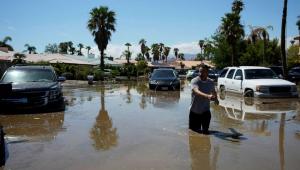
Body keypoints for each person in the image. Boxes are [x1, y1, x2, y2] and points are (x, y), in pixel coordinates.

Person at [190, 64, 218, 134]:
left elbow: (213, 92)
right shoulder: (194, 81)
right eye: (199, 71)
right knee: (194, 133)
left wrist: (216, 99)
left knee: (205, 132)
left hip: (206, 111)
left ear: (207, 72)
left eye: (202, 72)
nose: (200, 73)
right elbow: (196, 91)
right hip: (194, 111)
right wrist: (207, 96)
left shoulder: (211, 82)